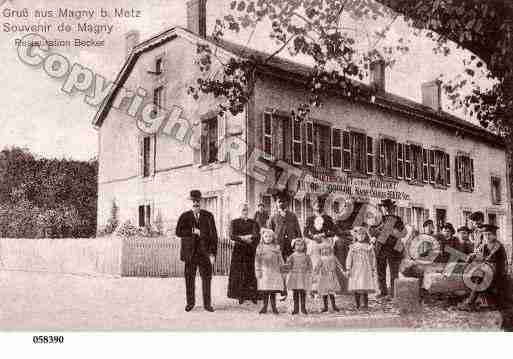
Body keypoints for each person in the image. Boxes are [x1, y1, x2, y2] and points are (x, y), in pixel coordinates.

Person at [175, 190, 218, 312]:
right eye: (193, 202)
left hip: (205, 254)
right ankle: (190, 303)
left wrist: (213, 253)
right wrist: (192, 231)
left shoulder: (209, 216)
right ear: (190, 203)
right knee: (189, 280)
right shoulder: (184, 216)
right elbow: (178, 232)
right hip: (190, 254)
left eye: (197, 202)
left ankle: (207, 304)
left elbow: (214, 236)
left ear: (201, 202)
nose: (195, 204)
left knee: (206, 280)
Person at [459, 224, 508, 311]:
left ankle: (470, 302)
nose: (487, 237)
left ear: (494, 235)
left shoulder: (498, 246)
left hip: (497, 272)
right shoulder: (484, 245)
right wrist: (472, 256)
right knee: (474, 274)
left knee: (479, 277)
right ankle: (475, 300)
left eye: (489, 234)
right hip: (487, 270)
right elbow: (477, 254)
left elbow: (502, 262)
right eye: (485, 235)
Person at [369, 199, 406, 299]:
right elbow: (371, 230)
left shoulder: (397, 219)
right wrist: (381, 234)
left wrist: (391, 233)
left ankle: (393, 293)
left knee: (394, 272)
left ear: (392, 208)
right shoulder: (378, 219)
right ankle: (383, 291)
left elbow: (402, 233)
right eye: (384, 207)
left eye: (388, 207)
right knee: (380, 271)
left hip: (393, 249)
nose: (386, 209)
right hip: (381, 249)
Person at [268, 190, 302, 299]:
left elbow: (298, 232)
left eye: (284, 201)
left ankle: (294, 289)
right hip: (279, 247)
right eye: (279, 201)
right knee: (280, 268)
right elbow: (269, 234)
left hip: (291, 247)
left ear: (287, 203)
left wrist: (296, 242)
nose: (281, 203)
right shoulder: (273, 217)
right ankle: (283, 290)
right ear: (276, 203)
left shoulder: (293, 216)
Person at [303, 194, 336, 296]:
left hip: (325, 243)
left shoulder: (327, 218)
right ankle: (313, 289)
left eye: (320, 205)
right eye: (316, 204)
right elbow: (305, 232)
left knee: (325, 265)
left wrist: (324, 234)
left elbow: (334, 231)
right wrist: (313, 237)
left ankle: (325, 287)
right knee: (314, 264)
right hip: (314, 244)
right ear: (313, 206)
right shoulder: (309, 218)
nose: (318, 206)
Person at [227, 203, 260, 305]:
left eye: (246, 210)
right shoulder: (234, 222)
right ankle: (240, 295)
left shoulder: (253, 222)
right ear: (239, 211)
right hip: (239, 250)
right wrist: (243, 238)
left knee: (251, 271)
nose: (245, 212)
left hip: (250, 250)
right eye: (243, 210)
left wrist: (250, 238)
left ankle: (252, 295)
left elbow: (256, 235)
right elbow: (232, 235)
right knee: (240, 272)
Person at [346, 226, 379, 310]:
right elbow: (349, 257)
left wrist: (372, 267)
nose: (361, 236)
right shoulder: (353, 246)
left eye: (363, 234)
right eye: (359, 235)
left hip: (365, 268)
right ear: (356, 236)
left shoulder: (368, 246)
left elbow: (372, 257)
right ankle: (357, 304)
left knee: (365, 284)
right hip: (356, 268)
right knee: (357, 284)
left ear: (365, 236)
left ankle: (365, 304)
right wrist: (348, 268)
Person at [255, 228, 285, 314]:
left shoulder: (276, 247)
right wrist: (258, 270)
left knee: (273, 290)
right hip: (264, 272)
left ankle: (274, 307)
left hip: (274, 271)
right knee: (265, 290)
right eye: (266, 236)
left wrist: (282, 268)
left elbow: (280, 259)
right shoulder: (260, 248)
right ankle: (264, 307)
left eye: (270, 236)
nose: (268, 238)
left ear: (273, 237)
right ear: (263, 237)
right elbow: (257, 260)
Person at [315, 237, 344, 313]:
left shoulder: (333, 257)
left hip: (331, 276)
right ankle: (325, 307)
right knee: (324, 293)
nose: (325, 250)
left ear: (330, 249)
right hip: (323, 276)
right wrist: (315, 273)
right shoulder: (321, 258)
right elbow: (317, 266)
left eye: (327, 249)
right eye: (323, 249)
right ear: (321, 250)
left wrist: (342, 270)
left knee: (331, 292)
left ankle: (334, 306)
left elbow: (338, 264)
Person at [285, 238, 313, 315]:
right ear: (294, 246)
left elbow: (310, 266)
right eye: (297, 245)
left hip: (303, 276)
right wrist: (287, 265)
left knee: (303, 292)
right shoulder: (292, 256)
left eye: (301, 245)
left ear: (304, 246)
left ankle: (303, 308)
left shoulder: (306, 256)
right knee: (295, 293)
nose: (299, 246)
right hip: (295, 276)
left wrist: (310, 273)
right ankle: (296, 308)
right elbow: (288, 266)